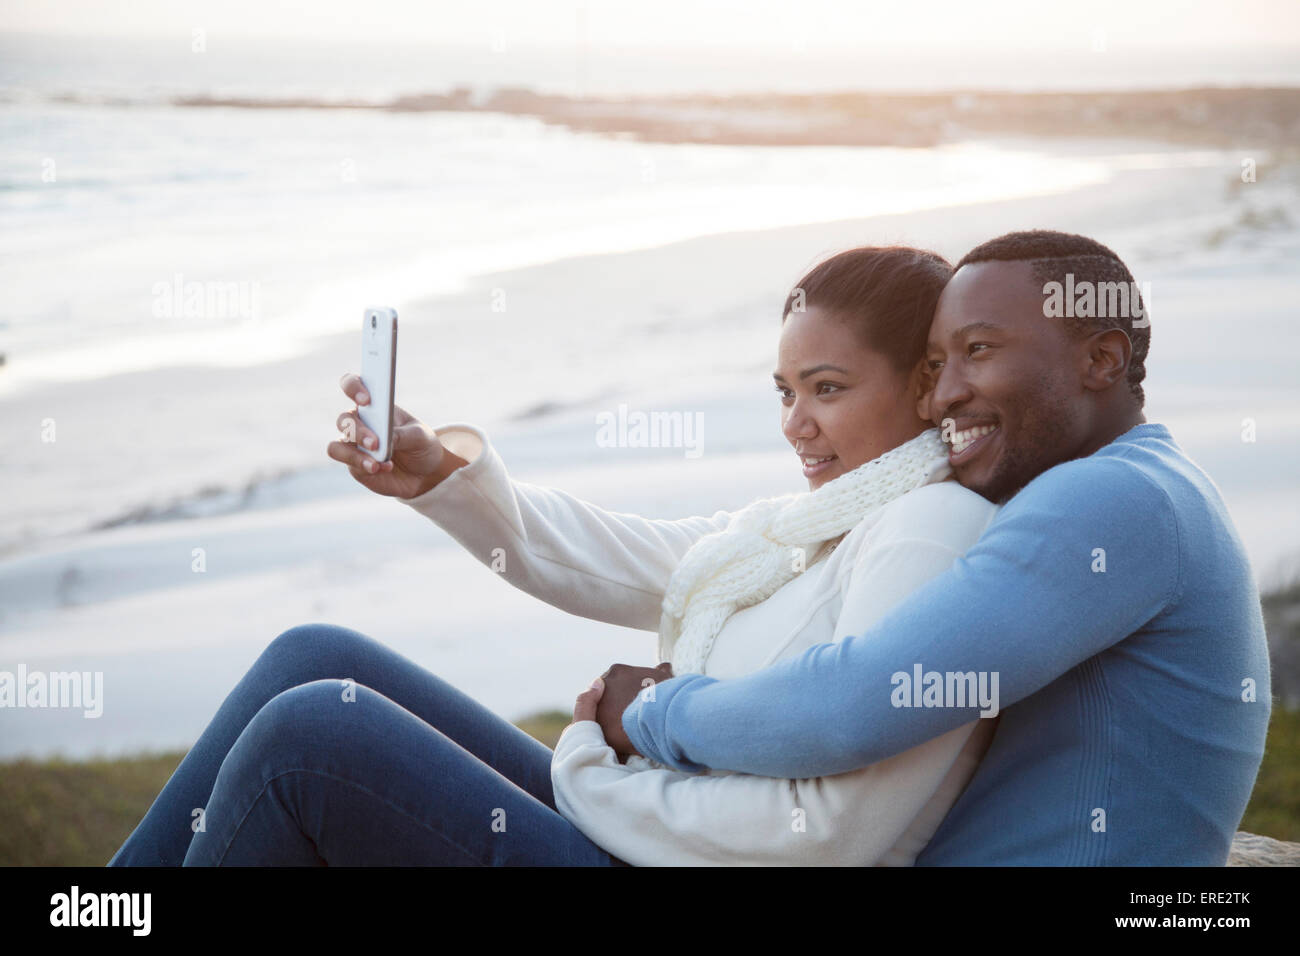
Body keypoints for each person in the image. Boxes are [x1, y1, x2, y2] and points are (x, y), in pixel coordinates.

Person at [108, 245, 1002, 866]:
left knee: (310, 736)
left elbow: (831, 833)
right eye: (784, 391)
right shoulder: (807, 524)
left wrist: (588, 764)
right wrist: (442, 476)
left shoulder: (926, 535)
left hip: (653, 849)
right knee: (314, 659)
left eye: (829, 390)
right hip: (638, 829)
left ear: (925, 386)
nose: (795, 424)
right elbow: (609, 558)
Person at [610, 230, 1273, 866]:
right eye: (935, 364)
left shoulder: (1112, 498)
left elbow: (855, 703)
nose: (944, 396)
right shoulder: (1145, 486)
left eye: (978, 350)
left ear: (1100, 361)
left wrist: (657, 711)